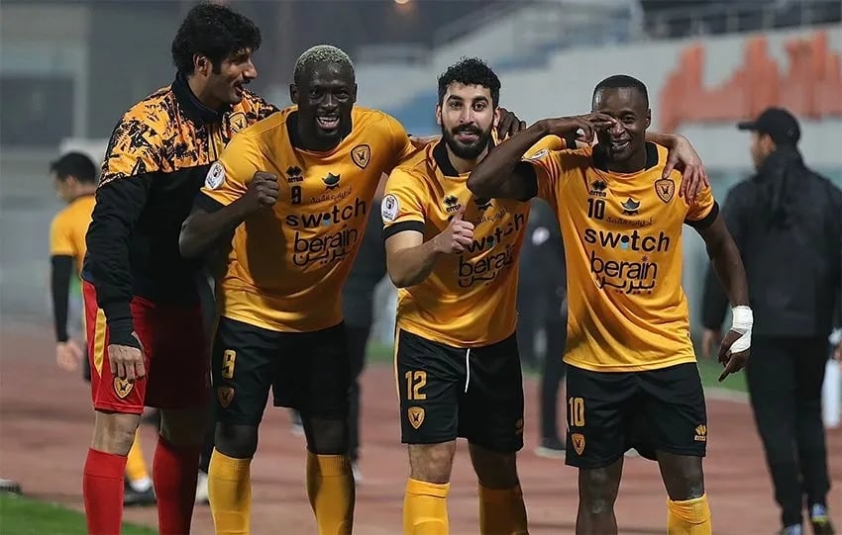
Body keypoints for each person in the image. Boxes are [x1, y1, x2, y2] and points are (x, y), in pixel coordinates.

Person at [178, 45, 527, 535]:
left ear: (354, 96)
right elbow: (189, 238)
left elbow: (439, 158)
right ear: (296, 95)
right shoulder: (252, 149)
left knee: (332, 439)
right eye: (317, 93)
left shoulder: (379, 133)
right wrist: (243, 206)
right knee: (235, 436)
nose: (328, 104)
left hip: (322, 318)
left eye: (339, 94)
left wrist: (500, 140)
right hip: (251, 313)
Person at [383, 61, 708, 535]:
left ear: (495, 115)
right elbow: (399, 269)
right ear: (439, 113)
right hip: (429, 340)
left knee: (499, 470)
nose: (467, 117)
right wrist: (437, 245)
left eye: (478, 106)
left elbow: (615, 134)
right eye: (456, 105)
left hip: (495, 341)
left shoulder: (533, 155)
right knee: (433, 465)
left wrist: (674, 140)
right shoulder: (412, 178)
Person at [467, 74, 751, 535]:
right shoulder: (566, 170)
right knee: (596, 494)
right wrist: (543, 128)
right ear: (591, 118)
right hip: (594, 366)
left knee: (688, 486)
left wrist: (743, 318)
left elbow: (722, 245)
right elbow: (481, 182)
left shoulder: (678, 174)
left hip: (667, 359)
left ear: (647, 120)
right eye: (606, 118)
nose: (617, 129)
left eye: (628, 118)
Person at [80, 4, 277, 534]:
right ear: (202, 63)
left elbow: (313, 131)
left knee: (188, 425)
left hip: (185, 292)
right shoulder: (147, 126)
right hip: (128, 291)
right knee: (118, 429)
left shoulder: (250, 116)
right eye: (240, 60)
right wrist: (121, 327)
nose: (251, 71)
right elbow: (108, 232)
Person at [701, 107, 841, 535]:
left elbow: (723, 256)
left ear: (766, 142)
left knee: (775, 422)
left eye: (754, 138)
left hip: (764, 330)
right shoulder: (828, 195)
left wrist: (711, 320)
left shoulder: (746, 196)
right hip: (813, 326)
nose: (751, 146)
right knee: (808, 414)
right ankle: (819, 504)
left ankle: (791, 519)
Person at [50, 151, 157, 507]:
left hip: (104, 326)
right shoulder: (119, 208)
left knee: (113, 408)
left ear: (68, 182)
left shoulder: (66, 221)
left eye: (57, 185)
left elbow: (59, 280)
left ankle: (139, 479)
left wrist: (62, 337)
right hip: (150, 313)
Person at [341, 193, 388, 483]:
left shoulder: (327, 202)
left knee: (321, 384)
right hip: (360, 306)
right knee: (348, 384)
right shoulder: (377, 213)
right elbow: (388, 262)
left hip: (322, 305)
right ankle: (349, 458)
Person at [518, 198, 569, 459]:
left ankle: (603, 433)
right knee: (554, 367)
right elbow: (542, 248)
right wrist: (563, 288)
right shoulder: (551, 210)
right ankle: (549, 435)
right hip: (558, 301)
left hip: (577, 298)